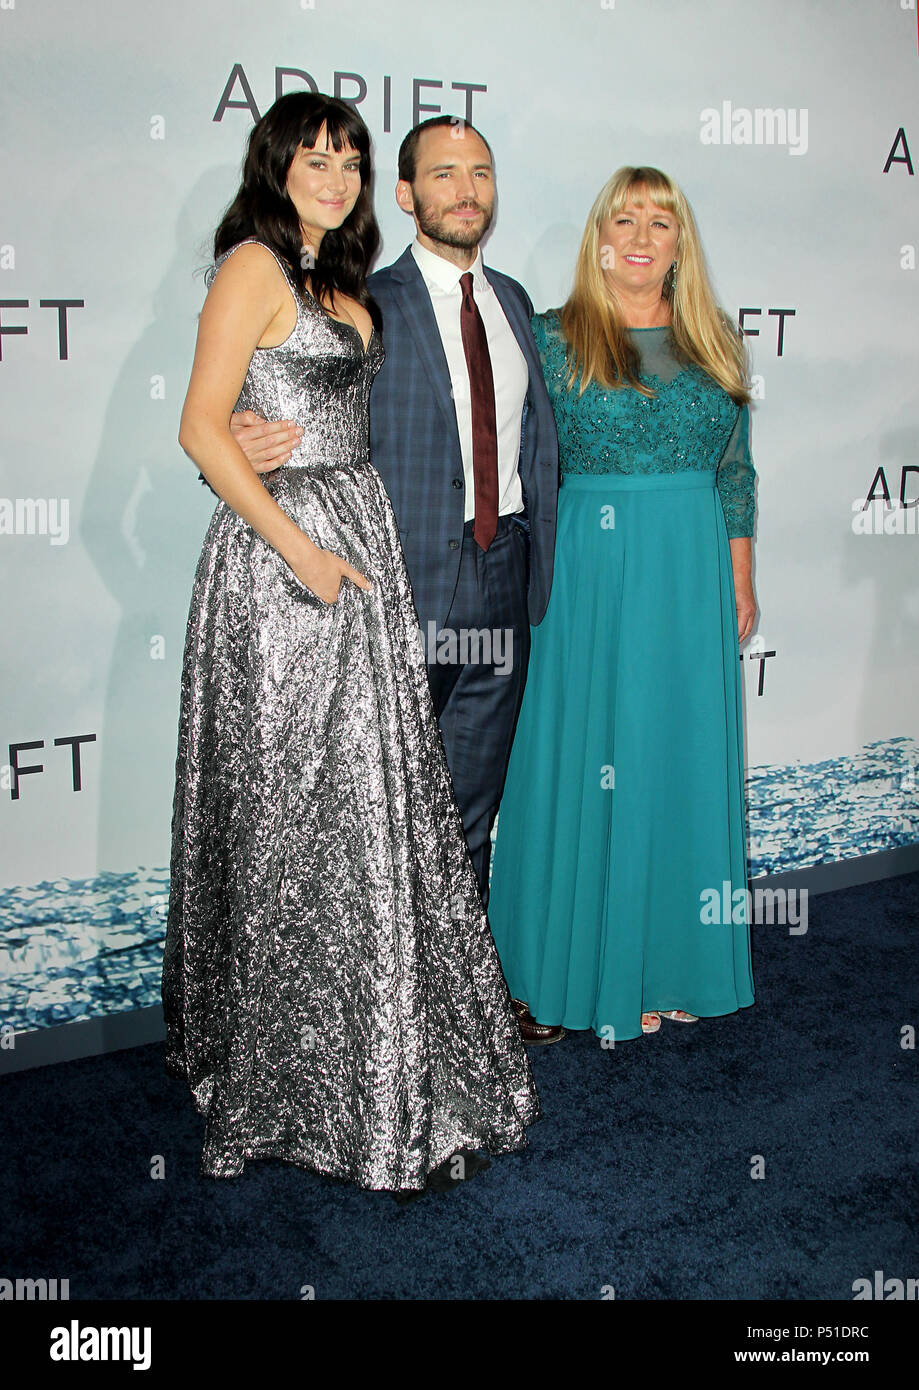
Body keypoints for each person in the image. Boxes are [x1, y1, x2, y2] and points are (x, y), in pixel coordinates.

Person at [162, 92, 539, 1195]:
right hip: (288, 570)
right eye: (314, 159)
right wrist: (296, 545)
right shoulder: (251, 266)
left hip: (362, 546)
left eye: (349, 162)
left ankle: (386, 1054)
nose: (333, 177)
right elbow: (198, 424)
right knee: (292, 812)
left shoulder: (342, 279)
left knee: (372, 815)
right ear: (275, 167)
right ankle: (297, 1077)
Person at [232, 115, 563, 1045]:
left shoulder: (515, 301)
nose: (466, 190)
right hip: (394, 591)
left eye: (480, 172)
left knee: (469, 812)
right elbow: (281, 410)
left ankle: (462, 1010)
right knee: (374, 815)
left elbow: (539, 442)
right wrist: (245, 442)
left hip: (503, 579)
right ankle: (373, 1027)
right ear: (408, 195)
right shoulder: (361, 302)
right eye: (443, 174)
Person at [487, 166, 757, 1043]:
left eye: (660, 222)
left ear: (680, 243)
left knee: (675, 757)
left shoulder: (715, 339)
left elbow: (734, 469)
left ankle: (670, 963)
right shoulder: (549, 336)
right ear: (599, 238)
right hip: (589, 574)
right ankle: (575, 971)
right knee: (587, 758)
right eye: (624, 220)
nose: (641, 238)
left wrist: (740, 573)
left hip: (689, 572)